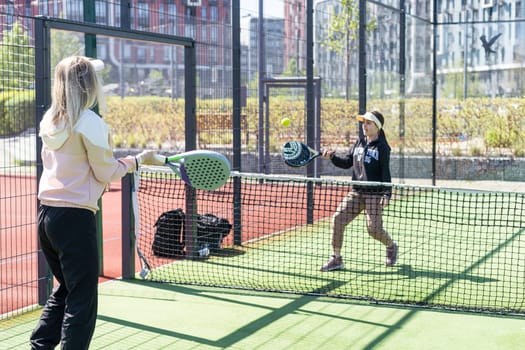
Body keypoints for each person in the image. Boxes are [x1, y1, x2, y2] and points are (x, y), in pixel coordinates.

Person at [30, 56, 161, 349]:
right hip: (75, 220)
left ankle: (40, 344)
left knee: (66, 288)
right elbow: (106, 172)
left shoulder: (49, 119)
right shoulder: (91, 123)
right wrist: (137, 161)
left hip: (47, 217)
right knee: (82, 297)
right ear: (88, 85)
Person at [319, 110, 398, 272]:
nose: (365, 126)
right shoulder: (359, 142)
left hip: (374, 195)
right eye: (363, 122)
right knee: (337, 219)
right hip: (356, 193)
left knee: (374, 230)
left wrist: (387, 193)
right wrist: (332, 157)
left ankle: (391, 246)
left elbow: (385, 172)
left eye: (368, 123)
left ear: (377, 126)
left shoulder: (383, 147)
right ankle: (336, 258)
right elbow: (347, 162)